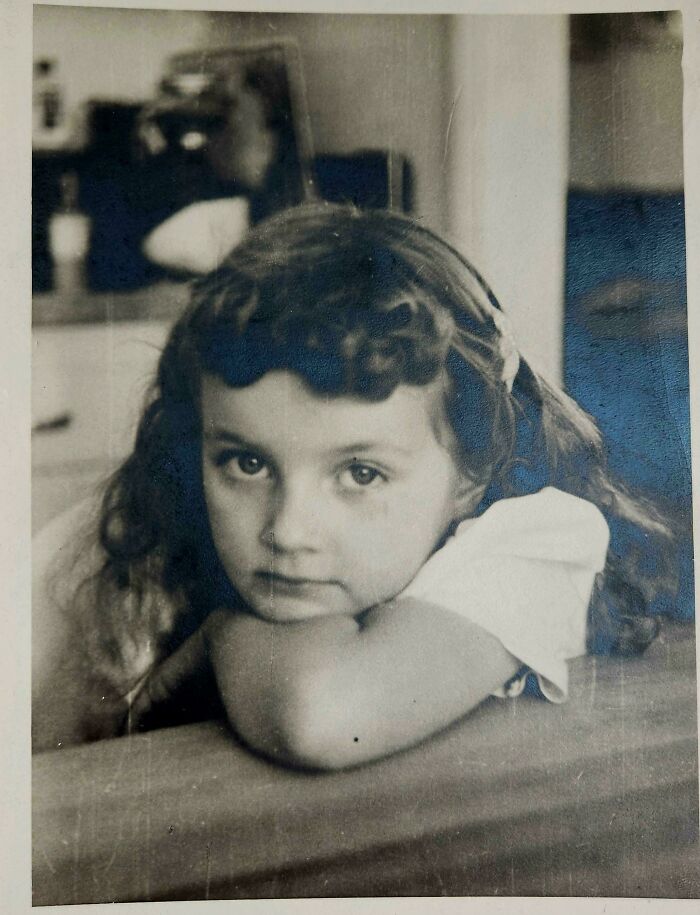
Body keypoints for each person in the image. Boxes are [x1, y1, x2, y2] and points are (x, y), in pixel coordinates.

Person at [32, 204, 679, 767]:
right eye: (247, 464)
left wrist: (220, 636)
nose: (287, 529)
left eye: (360, 473)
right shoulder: (128, 528)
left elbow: (322, 712)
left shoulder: (540, 540)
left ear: (473, 469)